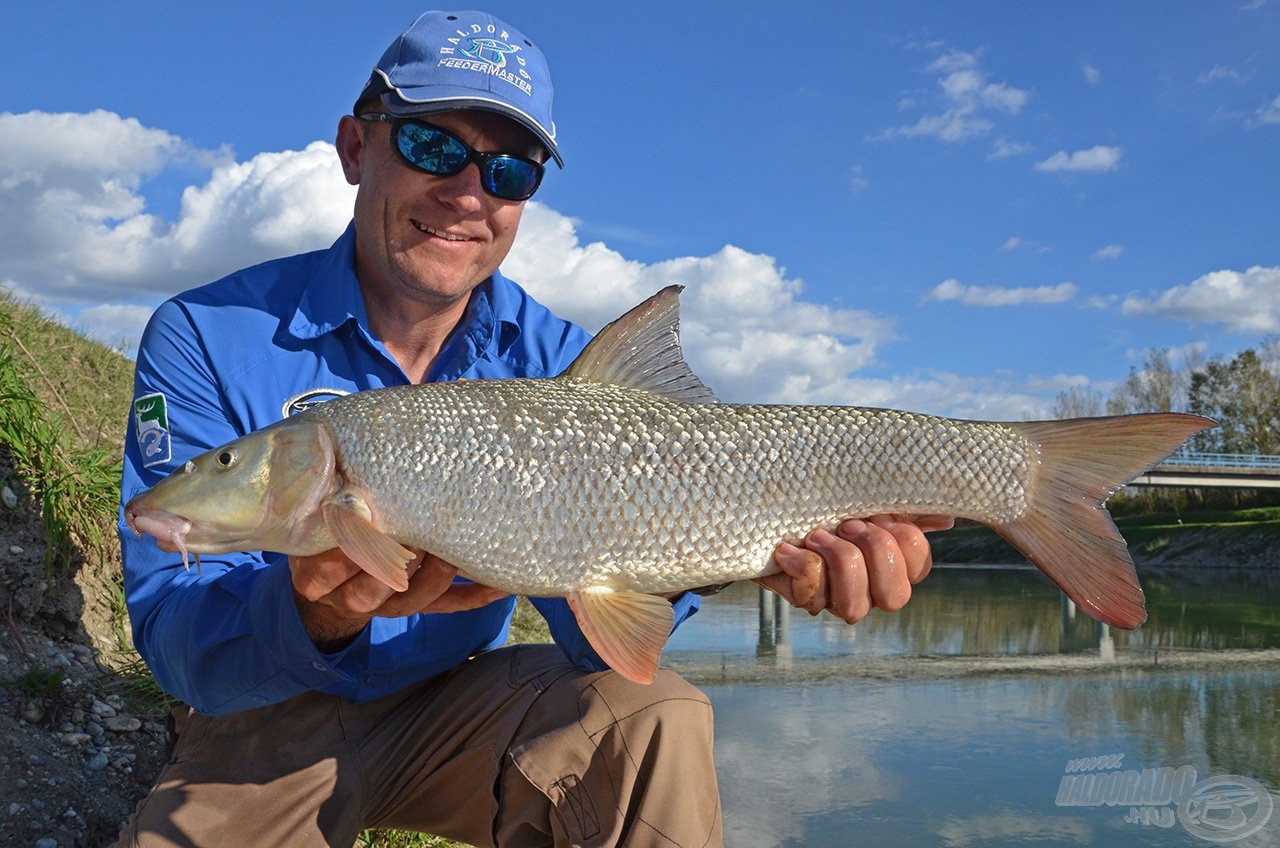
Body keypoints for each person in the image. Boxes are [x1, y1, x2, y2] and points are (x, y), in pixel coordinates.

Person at [114, 10, 949, 848]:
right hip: (262, 715)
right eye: (433, 147)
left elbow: (604, 638)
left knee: (654, 715)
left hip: (461, 701)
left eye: (509, 171)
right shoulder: (205, 333)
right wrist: (315, 613)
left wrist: (753, 554)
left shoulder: (559, 362)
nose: (468, 194)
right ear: (355, 148)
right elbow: (176, 641)